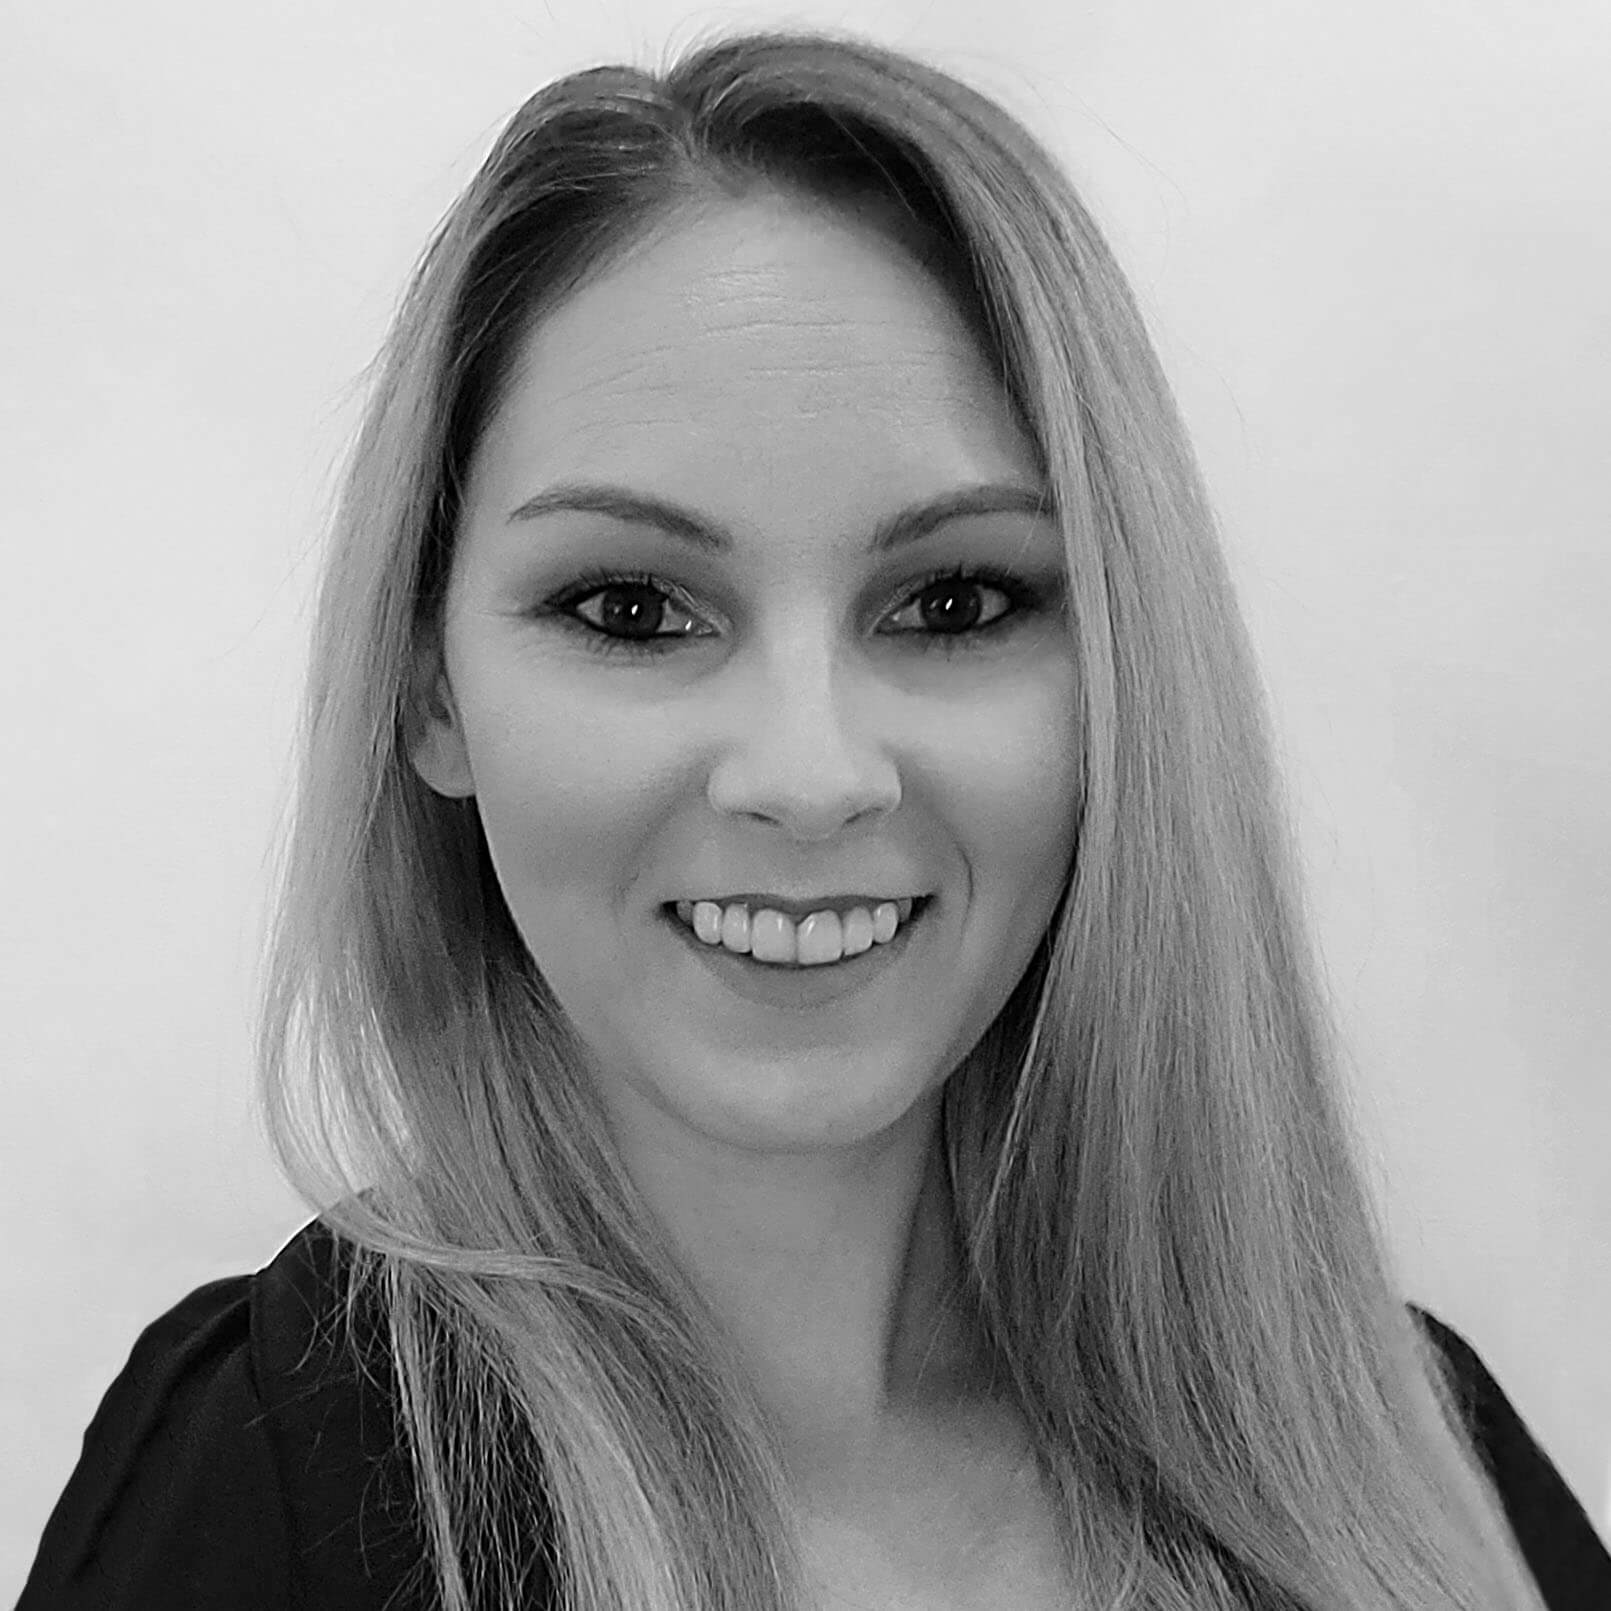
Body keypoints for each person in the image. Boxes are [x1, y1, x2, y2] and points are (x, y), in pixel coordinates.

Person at [19, 26, 1610, 1611]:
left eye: (955, 600)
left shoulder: (1410, 1465)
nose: (809, 773)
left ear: (1125, 678)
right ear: (428, 688)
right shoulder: (263, 1487)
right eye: (633, 609)